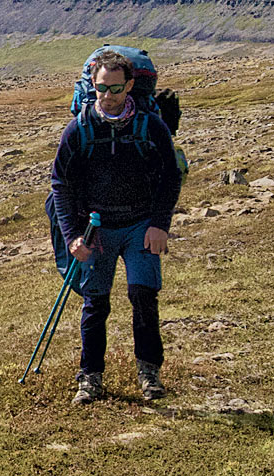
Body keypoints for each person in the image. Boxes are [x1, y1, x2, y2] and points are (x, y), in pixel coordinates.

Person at [50, 48, 183, 404]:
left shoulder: (150, 125)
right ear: (92, 86)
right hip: (96, 229)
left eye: (116, 89)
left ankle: (149, 374)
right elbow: (60, 186)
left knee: (143, 296)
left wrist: (160, 225)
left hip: (140, 224)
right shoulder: (78, 129)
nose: (107, 97)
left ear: (129, 86)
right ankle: (89, 378)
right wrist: (73, 236)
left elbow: (171, 175)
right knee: (95, 303)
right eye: (101, 89)